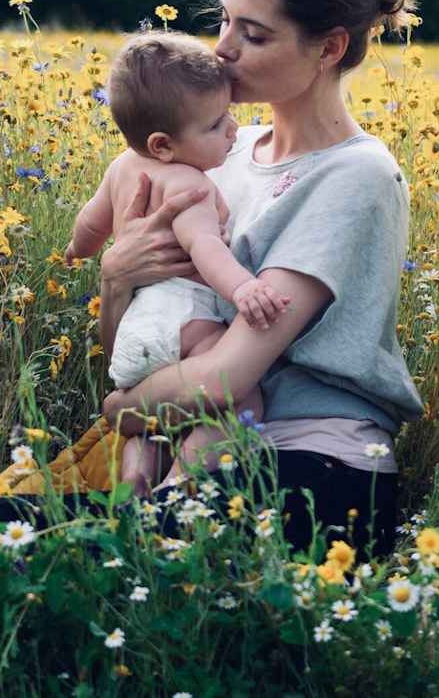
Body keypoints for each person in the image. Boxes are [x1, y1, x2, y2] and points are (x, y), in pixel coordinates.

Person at [98, 0, 425, 557]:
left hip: (313, 473)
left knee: (62, 552)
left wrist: (119, 410)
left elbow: (223, 379)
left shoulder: (354, 175)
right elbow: (140, 345)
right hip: (203, 451)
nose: (222, 49)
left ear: (329, 48)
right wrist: (115, 278)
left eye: (252, 34)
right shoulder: (218, 152)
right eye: (224, 20)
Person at [63, 31, 291, 495]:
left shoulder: (121, 168)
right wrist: (243, 289)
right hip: (184, 318)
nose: (232, 130)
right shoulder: (190, 185)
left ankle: (136, 481)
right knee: (241, 398)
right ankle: (179, 485)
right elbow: (206, 248)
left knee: (150, 425)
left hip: (133, 329)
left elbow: (88, 226)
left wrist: (75, 251)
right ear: (163, 145)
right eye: (216, 125)